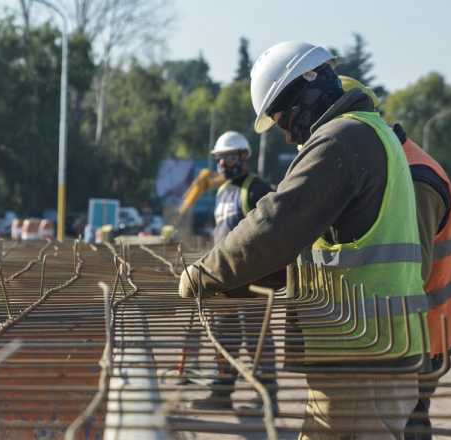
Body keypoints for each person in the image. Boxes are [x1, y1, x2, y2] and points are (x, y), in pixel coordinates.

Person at [178, 41, 427, 439]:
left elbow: (276, 224)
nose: (284, 130)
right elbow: (306, 249)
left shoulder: (341, 139)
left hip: (361, 352)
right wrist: (242, 285)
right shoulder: (370, 133)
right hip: (369, 346)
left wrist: (203, 275)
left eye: (282, 116)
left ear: (310, 87)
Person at [340, 76, 451, 440]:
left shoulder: (415, 176)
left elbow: (412, 266)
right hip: (403, 331)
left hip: (420, 337)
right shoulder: (393, 166)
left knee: (408, 428)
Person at [191, 131, 279, 411]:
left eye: (227, 158)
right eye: (218, 159)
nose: (222, 165)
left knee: (257, 339)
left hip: (252, 281)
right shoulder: (222, 191)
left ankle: (266, 396)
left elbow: (270, 232)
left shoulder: (257, 189)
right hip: (224, 280)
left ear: (244, 157)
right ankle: (222, 392)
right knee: (223, 338)